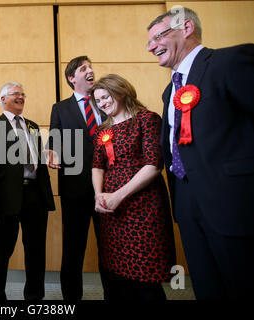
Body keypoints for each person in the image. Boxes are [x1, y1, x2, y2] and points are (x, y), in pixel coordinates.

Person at [146, 7, 254, 299]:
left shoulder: (228, 62)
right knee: (207, 288)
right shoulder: (170, 91)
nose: (151, 46)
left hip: (232, 204)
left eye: (158, 36)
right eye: (149, 42)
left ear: (187, 28)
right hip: (187, 205)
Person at [91, 74, 176, 300]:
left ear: (121, 91)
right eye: (98, 101)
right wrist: (99, 195)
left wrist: (119, 195)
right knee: (116, 275)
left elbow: (153, 165)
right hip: (111, 210)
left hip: (143, 207)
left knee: (145, 276)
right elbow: (97, 167)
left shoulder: (147, 119)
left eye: (106, 97)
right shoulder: (102, 130)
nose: (102, 104)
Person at [0, 82, 55, 301]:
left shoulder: (32, 125)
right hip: (6, 197)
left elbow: (36, 159)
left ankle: (34, 297)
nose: (21, 97)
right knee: (2, 250)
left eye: (23, 94)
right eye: (16, 94)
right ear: (3, 99)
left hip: (35, 195)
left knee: (36, 250)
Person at [47, 56, 106, 300]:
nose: (90, 70)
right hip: (75, 190)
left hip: (109, 188)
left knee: (112, 250)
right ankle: (72, 300)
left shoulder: (105, 101)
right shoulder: (60, 108)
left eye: (91, 66)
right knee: (73, 250)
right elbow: (54, 141)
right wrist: (51, 149)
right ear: (72, 78)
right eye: (84, 68)